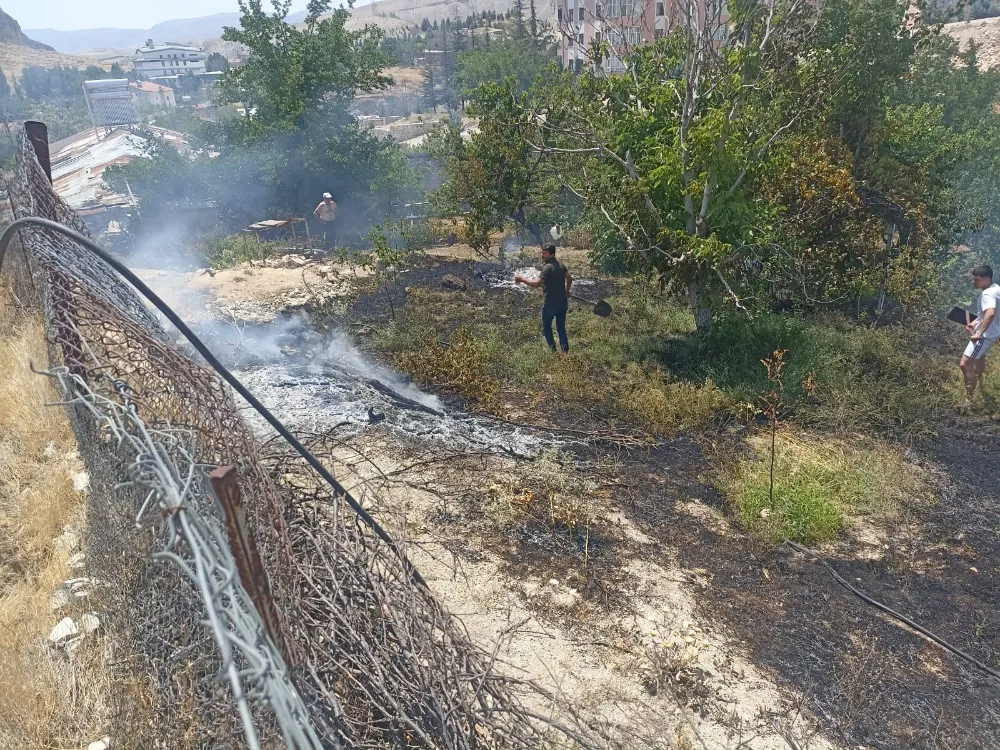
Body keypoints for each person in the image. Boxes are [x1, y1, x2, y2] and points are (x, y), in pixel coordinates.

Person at [514, 244, 573, 353]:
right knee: (561, 328)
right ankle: (565, 353)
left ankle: (553, 351)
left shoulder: (548, 267)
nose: (542, 255)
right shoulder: (560, 264)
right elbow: (569, 278)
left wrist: (522, 279)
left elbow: (536, 284)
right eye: (542, 253)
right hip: (562, 303)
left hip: (551, 304)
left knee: (546, 327)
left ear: (552, 254)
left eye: (545, 253)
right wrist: (567, 291)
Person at [959, 264, 1000, 407]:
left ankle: (969, 401)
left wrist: (979, 333)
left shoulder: (987, 294)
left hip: (985, 335)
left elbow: (991, 313)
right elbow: (986, 314)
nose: (973, 282)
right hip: (993, 331)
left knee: (965, 364)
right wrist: (975, 322)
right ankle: (979, 380)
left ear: (986, 280)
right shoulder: (996, 288)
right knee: (980, 356)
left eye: (976, 279)